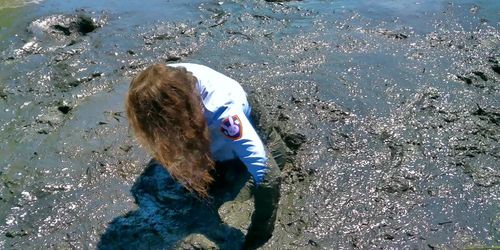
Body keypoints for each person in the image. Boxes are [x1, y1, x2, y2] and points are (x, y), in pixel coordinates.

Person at [125, 63, 281, 249]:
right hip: (198, 116)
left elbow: (269, 175)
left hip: (242, 120)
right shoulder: (158, 80)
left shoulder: (224, 113)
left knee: (247, 169)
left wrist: (259, 233)